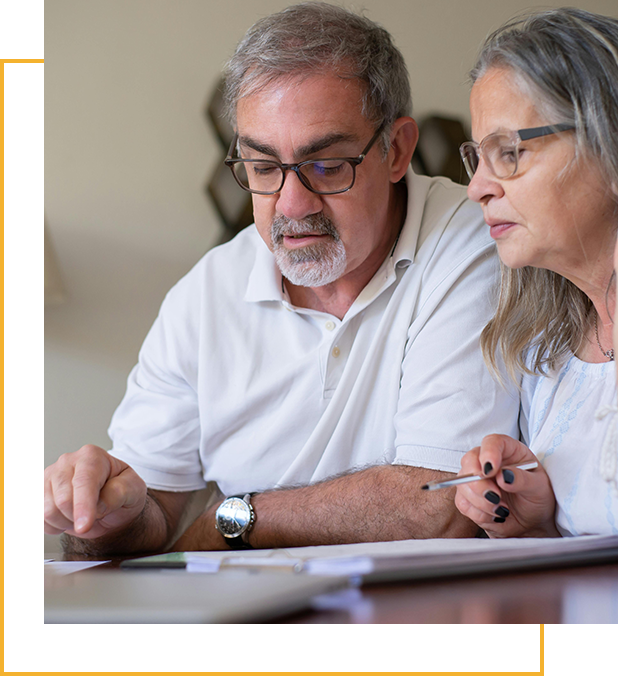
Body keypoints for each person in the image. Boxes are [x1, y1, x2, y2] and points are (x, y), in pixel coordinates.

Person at [44, 3, 519, 556]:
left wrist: (233, 522)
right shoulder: (204, 297)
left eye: (327, 165)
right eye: (264, 168)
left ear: (397, 149)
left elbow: (441, 502)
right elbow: (148, 520)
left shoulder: (472, 241)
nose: (291, 204)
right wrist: (104, 515)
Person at [454, 7, 618, 538]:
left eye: (510, 152)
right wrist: (534, 525)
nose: (479, 187)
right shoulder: (544, 355)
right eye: (477, 158)